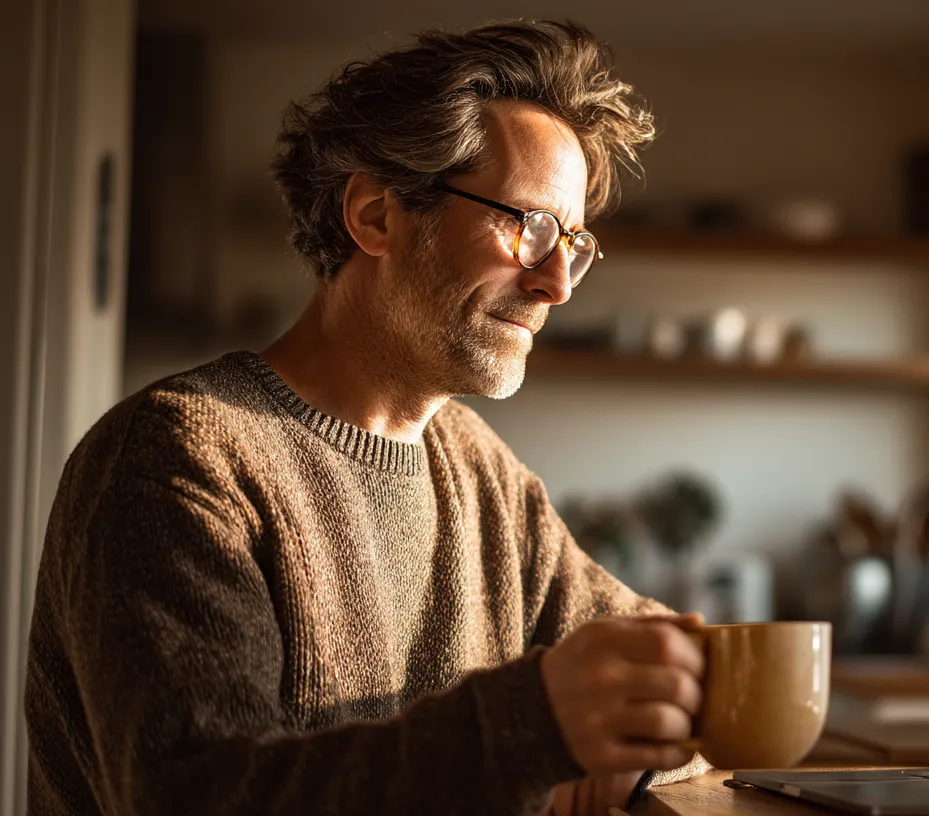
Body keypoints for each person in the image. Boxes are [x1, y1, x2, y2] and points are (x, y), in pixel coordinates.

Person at [26, 20, 709, 816]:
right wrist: (532, 729)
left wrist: (638, 744)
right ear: (376, 215)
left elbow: (674, 667)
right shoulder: (178, 457)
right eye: (529, 227)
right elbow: (197, 796)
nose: (558, 282)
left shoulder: (484, 476)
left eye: (575, 243)